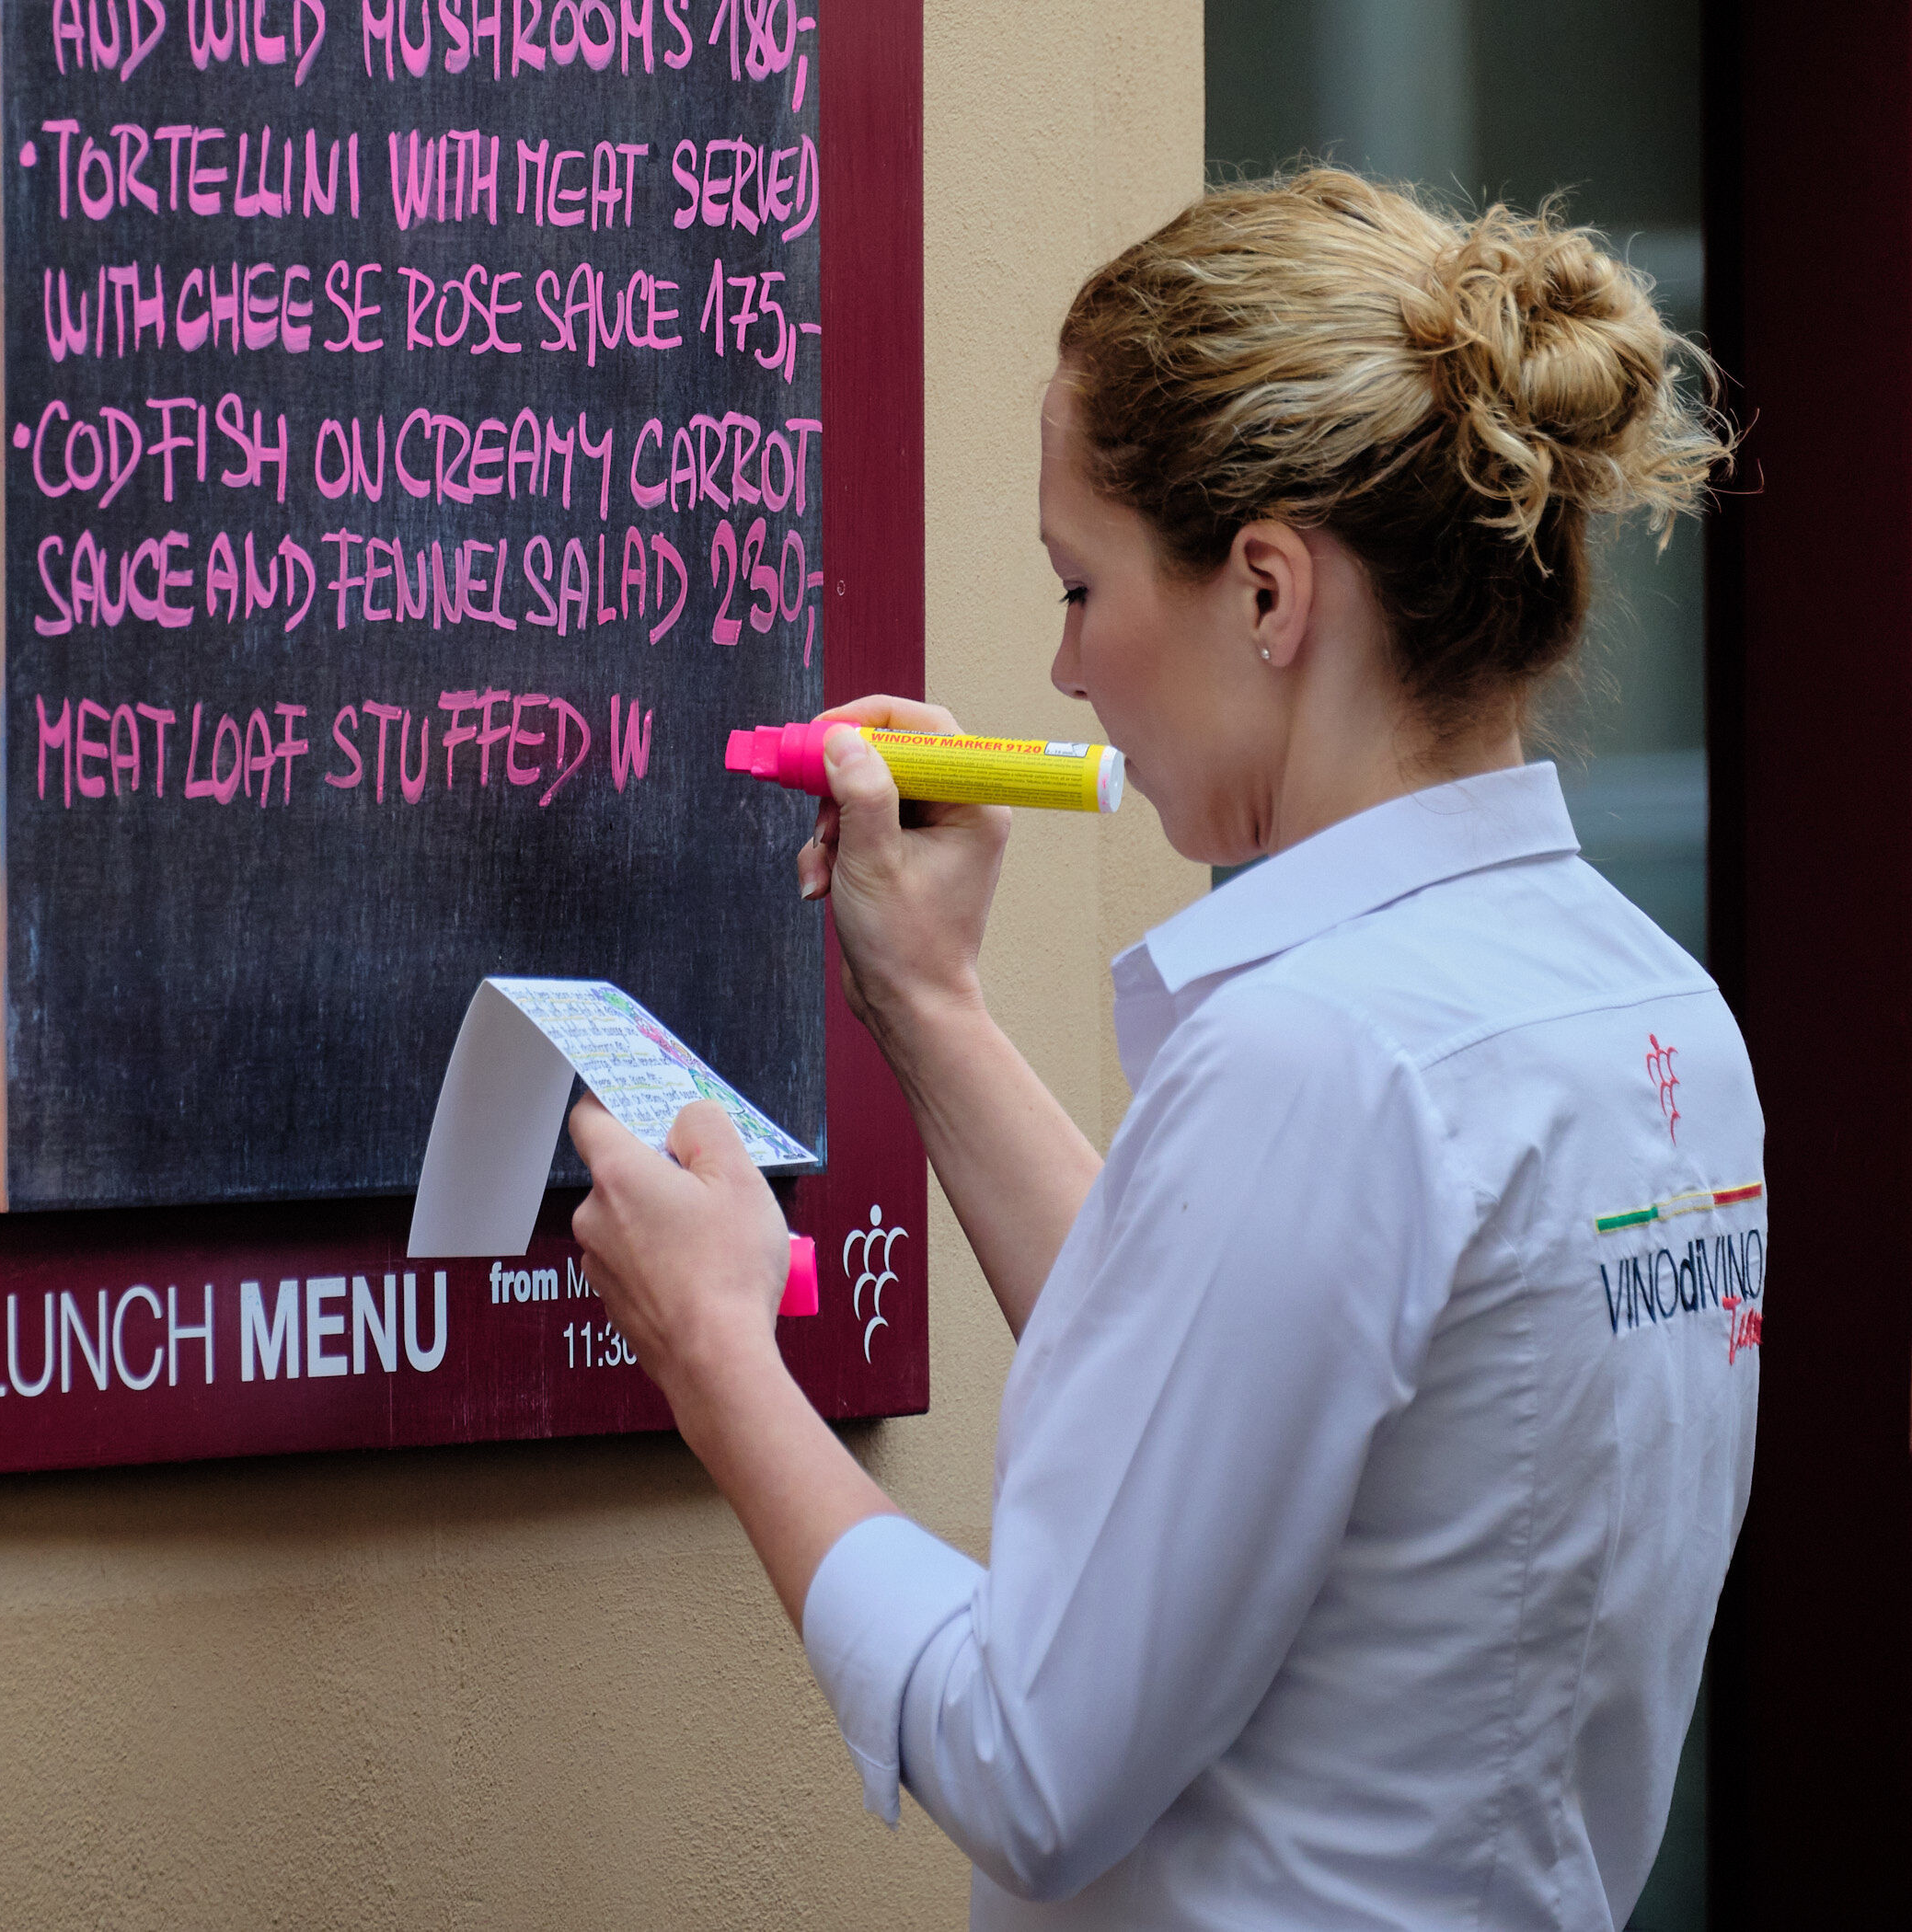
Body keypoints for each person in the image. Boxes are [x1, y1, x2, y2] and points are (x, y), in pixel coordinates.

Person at [566, 169, 1755, 1929]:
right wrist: (927, 996)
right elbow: (1224, 1399)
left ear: (1268, 590)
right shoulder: (1656, 1014)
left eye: (1079, 585)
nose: (1063, 673)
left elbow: (1030, 1766)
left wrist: (717, 1354)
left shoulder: (1323, 1052)